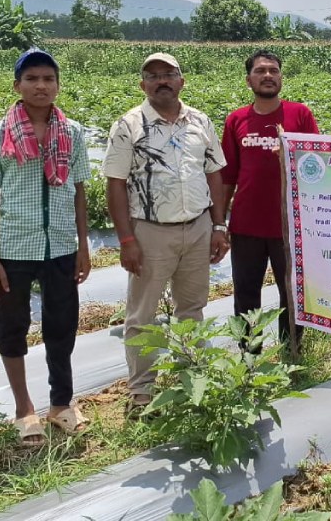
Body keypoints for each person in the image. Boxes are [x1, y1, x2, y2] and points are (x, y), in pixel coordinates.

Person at [104, 52, 230, 414]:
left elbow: (213, 174)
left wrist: (219, 225)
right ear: (143, 84)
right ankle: (141, 391)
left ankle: (193, 378)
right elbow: (115, 184)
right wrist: (127, 239)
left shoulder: (200, 121)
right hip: (150, 232)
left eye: (169, 74)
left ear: (181, 80)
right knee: (142, 316)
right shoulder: (129, 125)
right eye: (153, 75)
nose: (162, 80)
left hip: (198, 227)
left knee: (191, 307)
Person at [0, 48, 93, 445]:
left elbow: (79, 192)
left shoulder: (73, 133)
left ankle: (61, 405)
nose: (41, 86)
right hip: (14, 248)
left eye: (48, 79)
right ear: (17, 86)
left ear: (58, 86)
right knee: (13, 328)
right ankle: (24, 408)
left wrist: (83, 245)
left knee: (62, 328)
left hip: (60, 246)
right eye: (32, 79)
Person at [221, 50, 320, 351]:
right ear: (248, 79)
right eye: (260, 71)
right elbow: (228, 176)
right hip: (246, 225)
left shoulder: (299, 114)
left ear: (281, 77)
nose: (267, 75)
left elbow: (318, 164)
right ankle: (250, 357)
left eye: (273, 70)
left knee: (291, 293)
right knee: (246, 295)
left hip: (289, 225)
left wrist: (293, 160)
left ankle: (292, 354)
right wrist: (219, 221)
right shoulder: (236, 119)